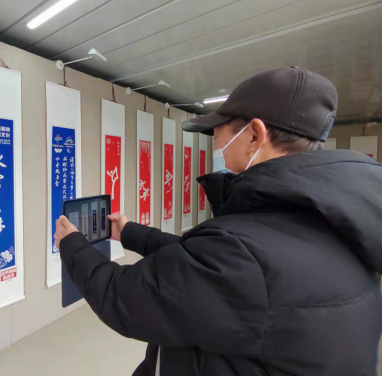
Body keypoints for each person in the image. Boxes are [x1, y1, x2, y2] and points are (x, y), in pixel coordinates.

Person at [54, 67, 382, 376]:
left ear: (254, 135)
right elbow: (207, 265)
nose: (217, 144)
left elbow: (124, 298)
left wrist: (73, 247)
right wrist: (129, 233)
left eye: (219, 133)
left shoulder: (245, 253)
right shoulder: (335, 223)